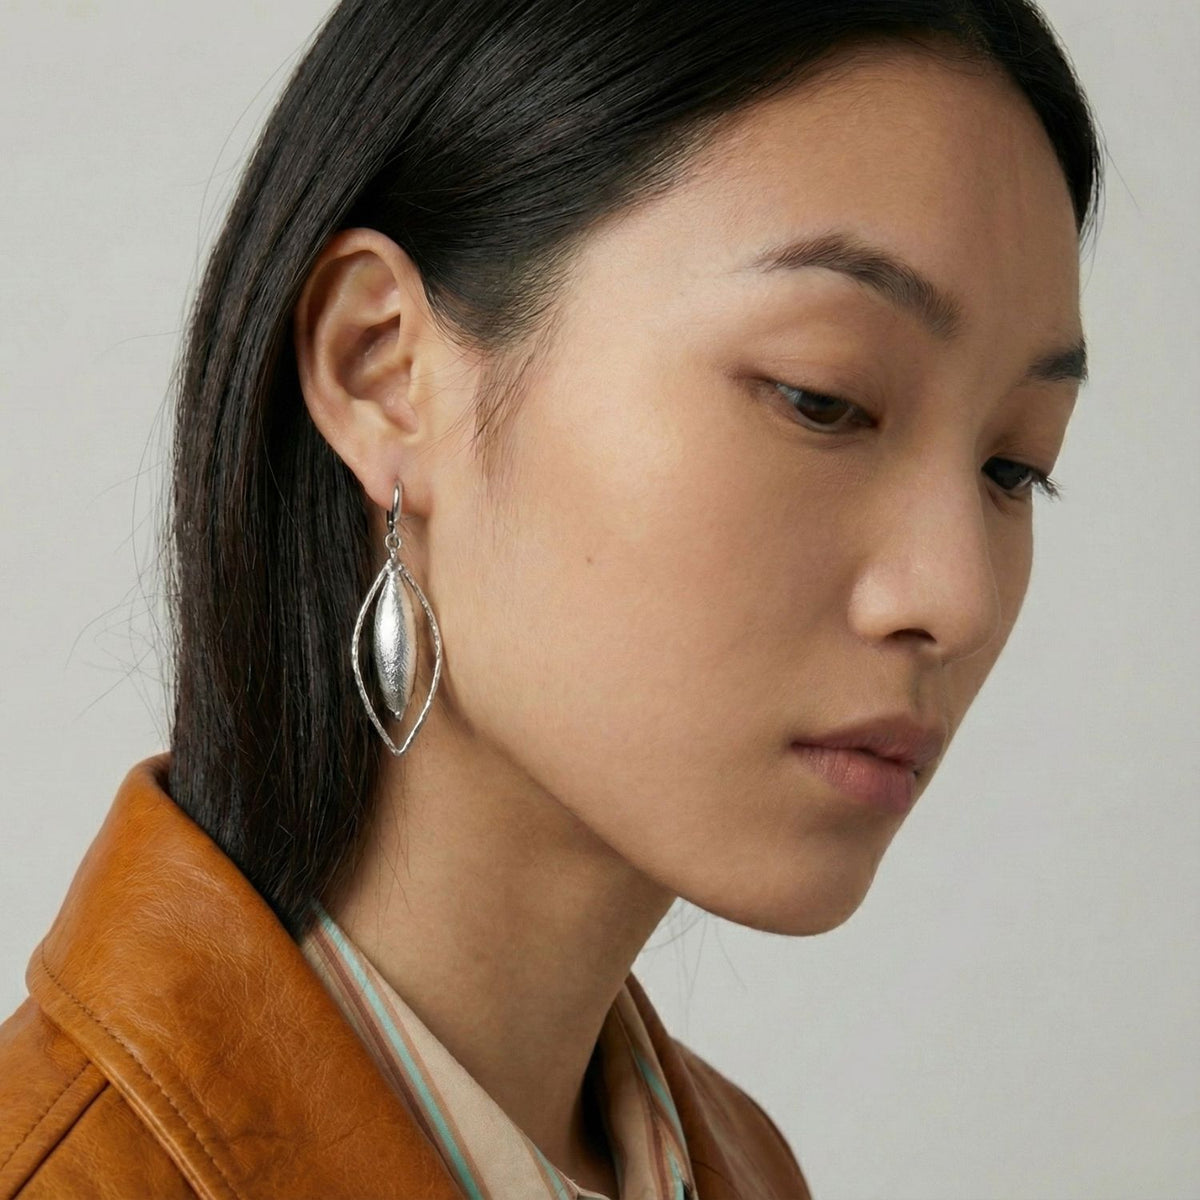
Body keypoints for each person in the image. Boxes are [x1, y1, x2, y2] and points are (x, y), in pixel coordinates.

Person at [0, 0, 1101, 1196]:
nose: (958, 596)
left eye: (1014, 467)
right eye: (821, 397)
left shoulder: (741, 1167)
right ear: (383, 368)